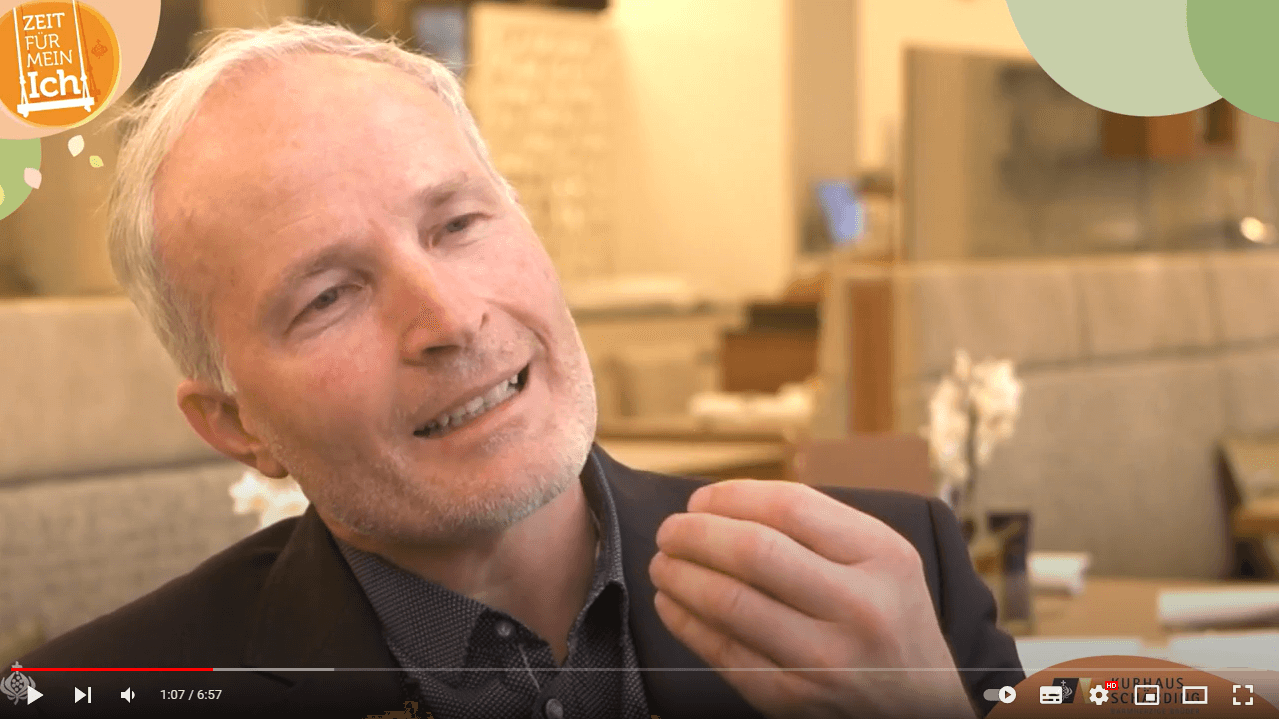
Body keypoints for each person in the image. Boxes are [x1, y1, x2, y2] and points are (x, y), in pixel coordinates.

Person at [19, 22, 1023, 719]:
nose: (450, 318)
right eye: (326, 296)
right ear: (238, 426)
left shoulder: (893, 580)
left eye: (458, 223)